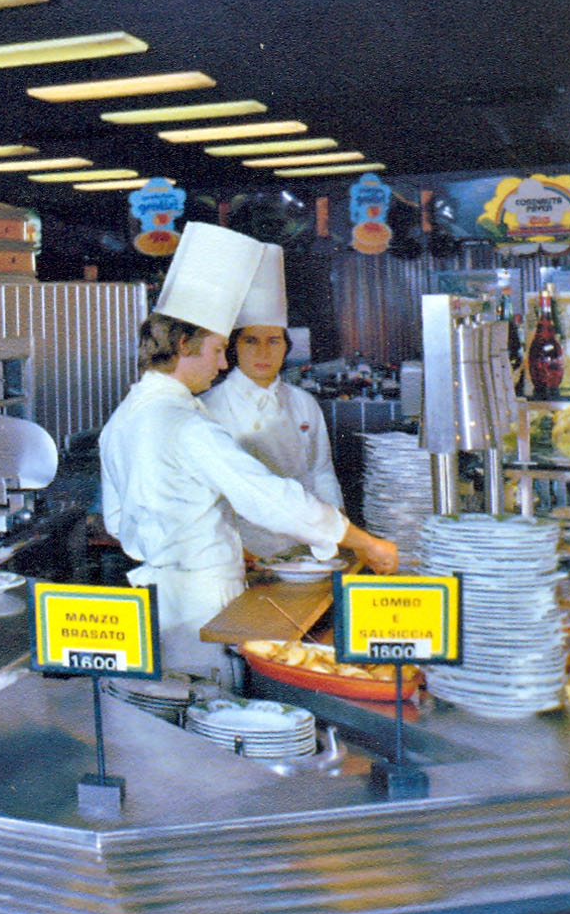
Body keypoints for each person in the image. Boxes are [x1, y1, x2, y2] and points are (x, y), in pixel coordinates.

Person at [99, 225, 395, 681]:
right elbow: (271, 498)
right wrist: (365, 542)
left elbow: (118, 521)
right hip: (205, 602)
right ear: (183, 346)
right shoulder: (190, 426)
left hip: (157, 600)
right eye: (219, 350)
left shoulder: (123, 417)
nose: (222, 364)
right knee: (216, 708)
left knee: (169, 706)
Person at [203, 326, 342, 559]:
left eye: (273, 341)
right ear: (233, 348)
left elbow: (321, 471)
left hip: (304, 546)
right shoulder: (209, 406)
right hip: (241, 549)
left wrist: (338, 530)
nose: (263, 352)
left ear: (286, 346)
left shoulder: (303, 402)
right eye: (251, 341)